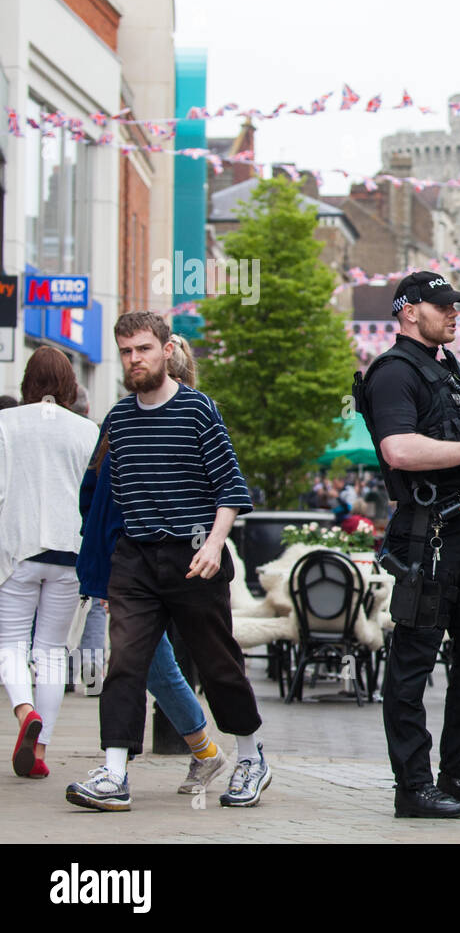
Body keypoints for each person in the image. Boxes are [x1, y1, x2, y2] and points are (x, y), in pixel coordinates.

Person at [66, 312, 269, 812]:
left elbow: (230, 487)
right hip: (135, 559)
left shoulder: (198, 410)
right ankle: (114, 773)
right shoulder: (117, 420)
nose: (135, 359)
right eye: (127, 351)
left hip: (195, 553)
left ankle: (251, 757)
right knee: (126, 665)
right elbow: (102, 500)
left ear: (164, 350)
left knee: (218, 664)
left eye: (143, 349)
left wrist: (215, 543)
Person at [356, 271, 460, 819]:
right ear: (407, 312)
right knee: (413, 664)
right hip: (427, 536)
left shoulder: (446, 370)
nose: (454, 313)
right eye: (442, 305)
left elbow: (442, 443)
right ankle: (414, 786)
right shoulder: (394, 373)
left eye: (456, 305)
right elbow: (398, 449)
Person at [0, 348, 99, 777]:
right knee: (53, 652)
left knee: (11, 645)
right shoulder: (87, 431)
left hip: (17, 548)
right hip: (69, 551)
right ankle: (40, 751)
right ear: (69, 385)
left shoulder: (4, 424)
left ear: (27, 382)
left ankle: (25, 713)